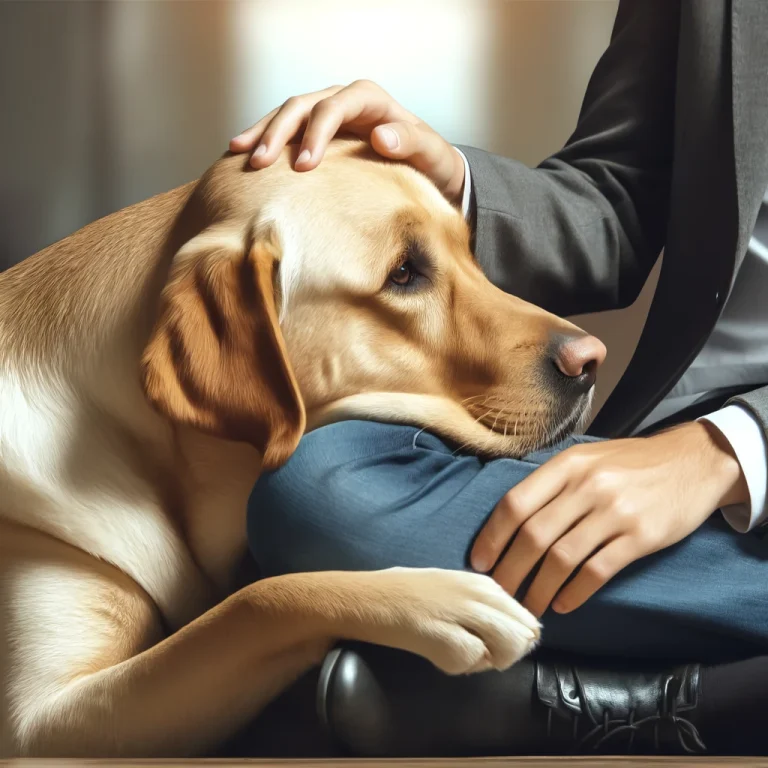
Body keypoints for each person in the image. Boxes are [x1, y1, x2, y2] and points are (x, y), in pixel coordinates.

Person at [232, 1, 768, 756]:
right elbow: (619, 194)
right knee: (316, 493)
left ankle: (661, 704)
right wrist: (451, 183)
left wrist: (729, 453)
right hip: (652, 444)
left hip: (728, 457)